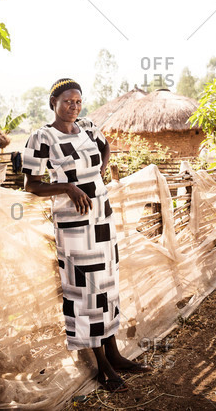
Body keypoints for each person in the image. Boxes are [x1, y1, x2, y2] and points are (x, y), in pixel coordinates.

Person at [22, 78, 151, 391]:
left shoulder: (90, 128)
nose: (73, 107)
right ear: (54, 102)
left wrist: (100, 171)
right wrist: (68, 187)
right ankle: (101, 365)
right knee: (85, 291)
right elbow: (31, 184)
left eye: (78, 101)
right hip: (74, 223)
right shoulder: (41, 137)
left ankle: (116, 353)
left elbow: (106, 146)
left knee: (107, 286)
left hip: (102, 219)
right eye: (68, 101)